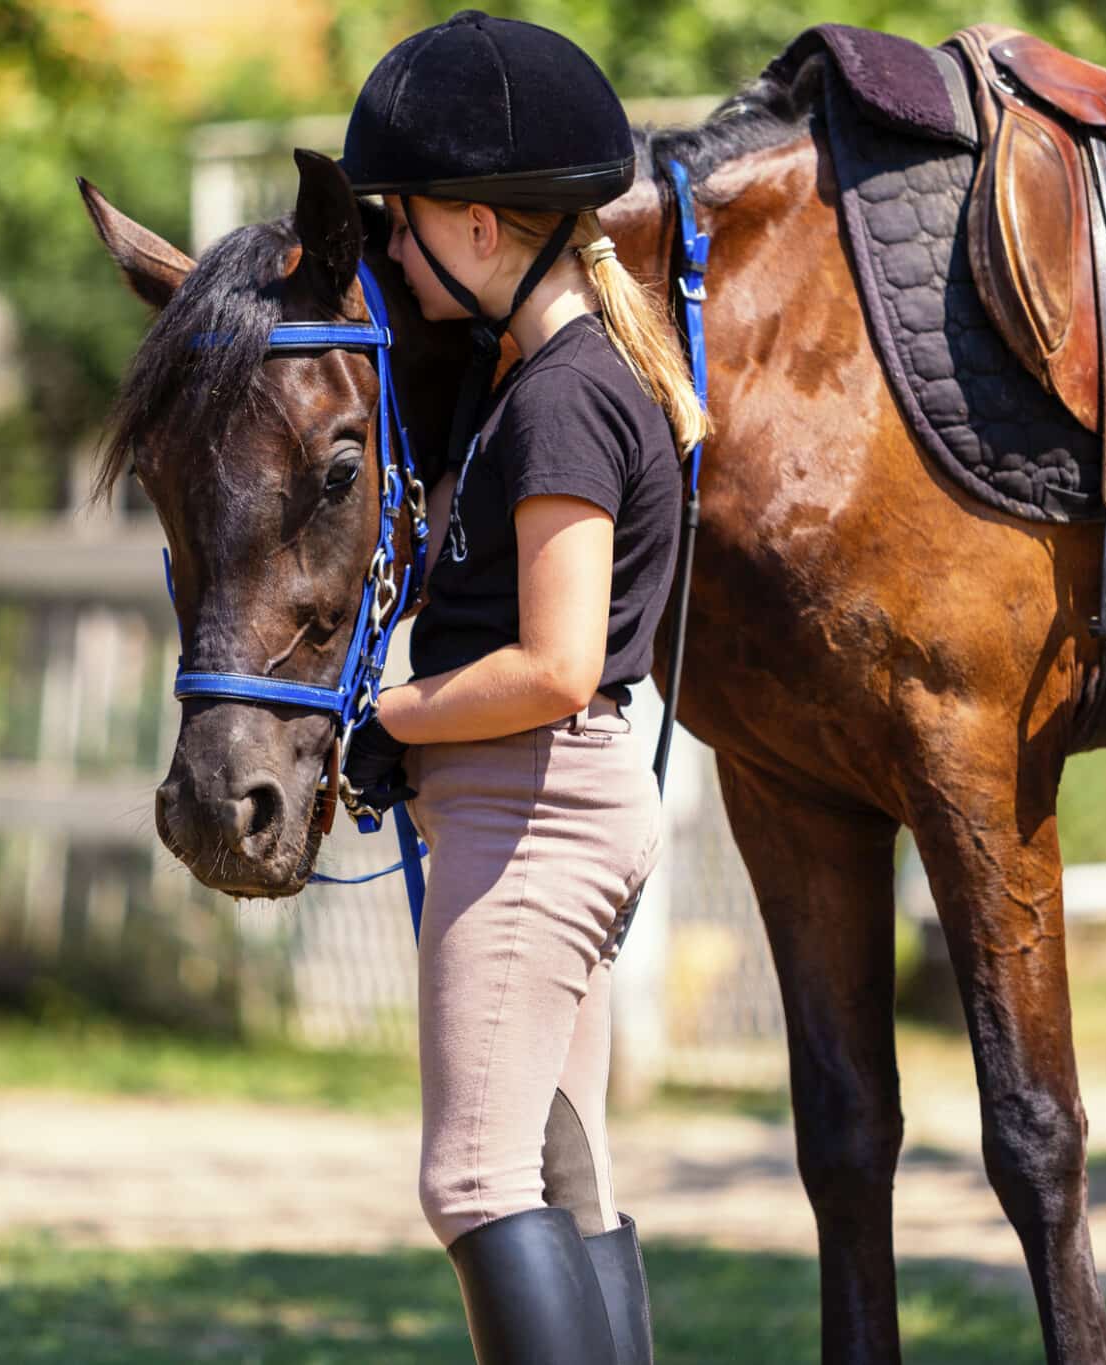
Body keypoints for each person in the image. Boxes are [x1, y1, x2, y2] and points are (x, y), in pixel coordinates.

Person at [333, 11, 709, 1363]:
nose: (390, 250)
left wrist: (392, 716)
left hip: (530, 812)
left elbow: (553, 664)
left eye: (404, 220)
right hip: (548, 802)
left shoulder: (559, 399)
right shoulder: (565, 380)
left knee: (474, 1181)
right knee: (566, 1176)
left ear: (483, 226)